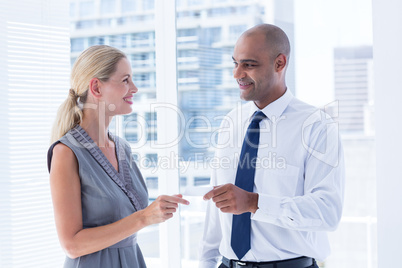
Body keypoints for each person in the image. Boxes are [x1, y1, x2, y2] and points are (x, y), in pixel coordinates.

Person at [199, 24, 345, 268]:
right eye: (235, 63)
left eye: (249, 64)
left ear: (280, 63)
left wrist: (255, 203)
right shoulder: (231, 122)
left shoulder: (317, 126)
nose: (237, 74)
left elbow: (327, 212)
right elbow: (218, 210)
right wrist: (206, 262)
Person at [47, 45, 189, 268]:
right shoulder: (66, 152)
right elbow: (71, 245)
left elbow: (125, 219)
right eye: (125, 80)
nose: (134, 88)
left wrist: (156, 211)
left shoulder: (122, 148)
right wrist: (143, 217)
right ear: (96, 87)